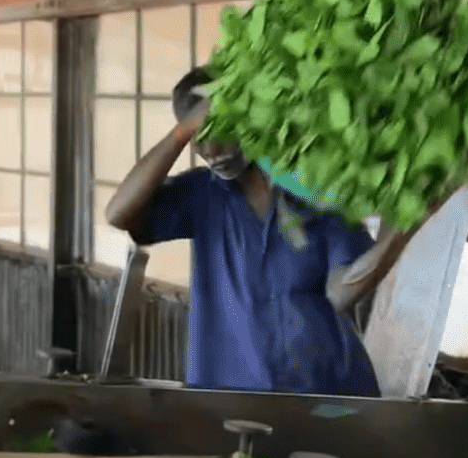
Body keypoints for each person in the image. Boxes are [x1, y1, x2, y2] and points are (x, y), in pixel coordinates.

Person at [105, 67, 427, 396]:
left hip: (328, 394)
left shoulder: (314, 191)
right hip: (231, 399)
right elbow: (118, 213)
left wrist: (407, 222)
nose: (211, 150)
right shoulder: (201, 196)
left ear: (253, 117)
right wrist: (182, 130)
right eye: (197, 138)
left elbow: (341, 294)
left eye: (221, 129)